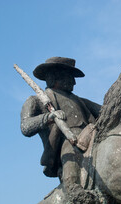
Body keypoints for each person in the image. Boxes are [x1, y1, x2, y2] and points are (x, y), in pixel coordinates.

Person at [20, 57, 101, 191]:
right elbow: (25, 127)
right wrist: (49, 116)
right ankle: (72, 187)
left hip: (91, 137)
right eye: (70, 77)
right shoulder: (35, 101)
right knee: (71, 144)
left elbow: (108, 110)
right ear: (56, 76)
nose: (74, 82)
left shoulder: (81, 101)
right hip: (66, 145)